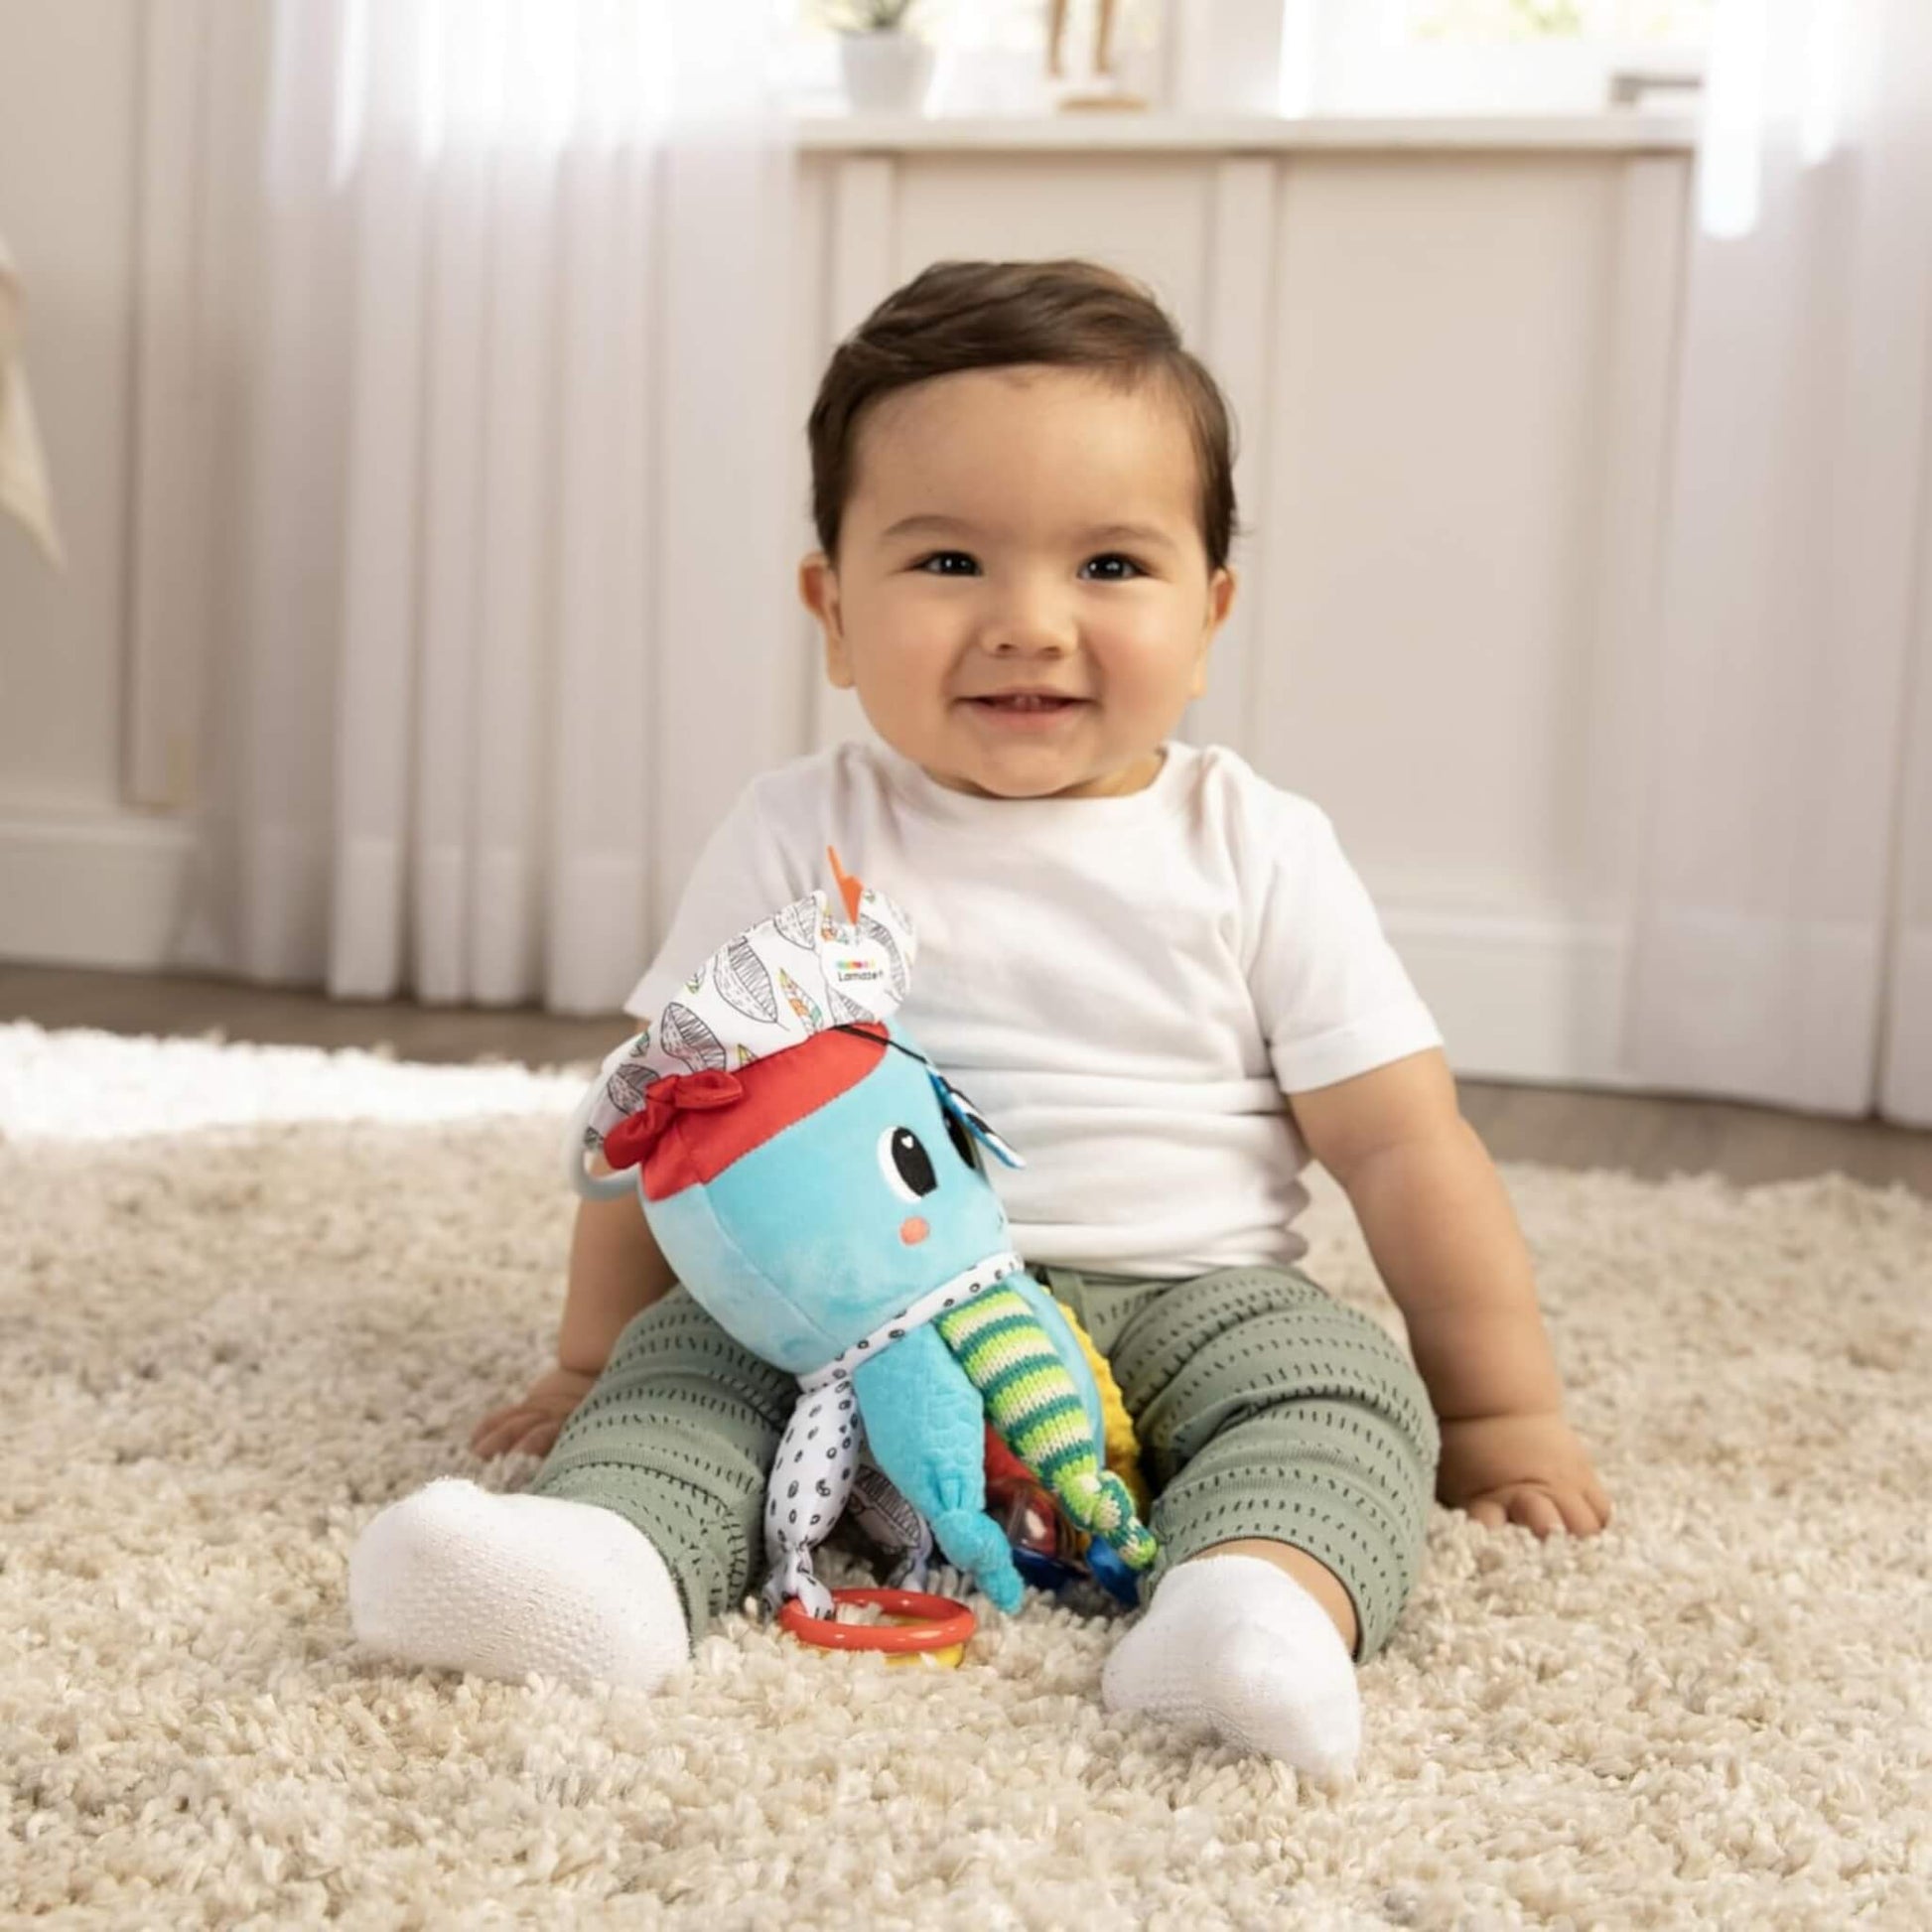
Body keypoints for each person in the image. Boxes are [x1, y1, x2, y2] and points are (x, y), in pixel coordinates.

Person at [349, 258, 1611, 1778]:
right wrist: (584, 1357)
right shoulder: (794, 830)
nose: (1026, 622)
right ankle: (604, 1574)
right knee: (685, 1373)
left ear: (1209, 614)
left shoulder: (1255, 845)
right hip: (844, 1307)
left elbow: (1406, 1148)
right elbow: (672, 1119)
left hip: (1186, 1295)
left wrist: (1499, 1411)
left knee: (1336, 1395)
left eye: (1108, 569)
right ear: (830, 607)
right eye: (947, 562)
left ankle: (1247, 1607)